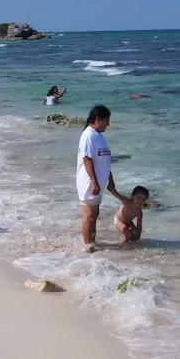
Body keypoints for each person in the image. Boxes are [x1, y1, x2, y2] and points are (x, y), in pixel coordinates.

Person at [76, 105, 119, 252]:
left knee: (95, 215)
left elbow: (105, 161)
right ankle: (88, 247)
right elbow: (87, 159)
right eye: (107, 120)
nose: (108, 124)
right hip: (89, 183)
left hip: (99, 183)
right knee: (89, 216)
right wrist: (94, 182)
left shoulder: (99, 136)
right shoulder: (88, 135)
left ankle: (92, 243)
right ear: (98, 120)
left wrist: (110, 180)